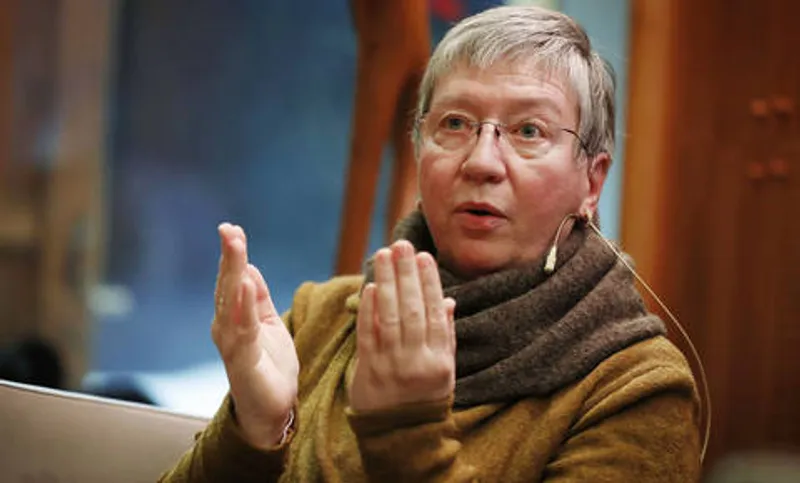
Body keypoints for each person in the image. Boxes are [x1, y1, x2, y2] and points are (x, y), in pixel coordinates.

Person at [160, 5, 701, 482]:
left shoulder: (636, 391)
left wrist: (406, 433)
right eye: (456, 123)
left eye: (528, 131)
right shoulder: (318, 320)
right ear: (420, 151)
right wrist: (255, 430)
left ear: (592, 181)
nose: (482, 162)